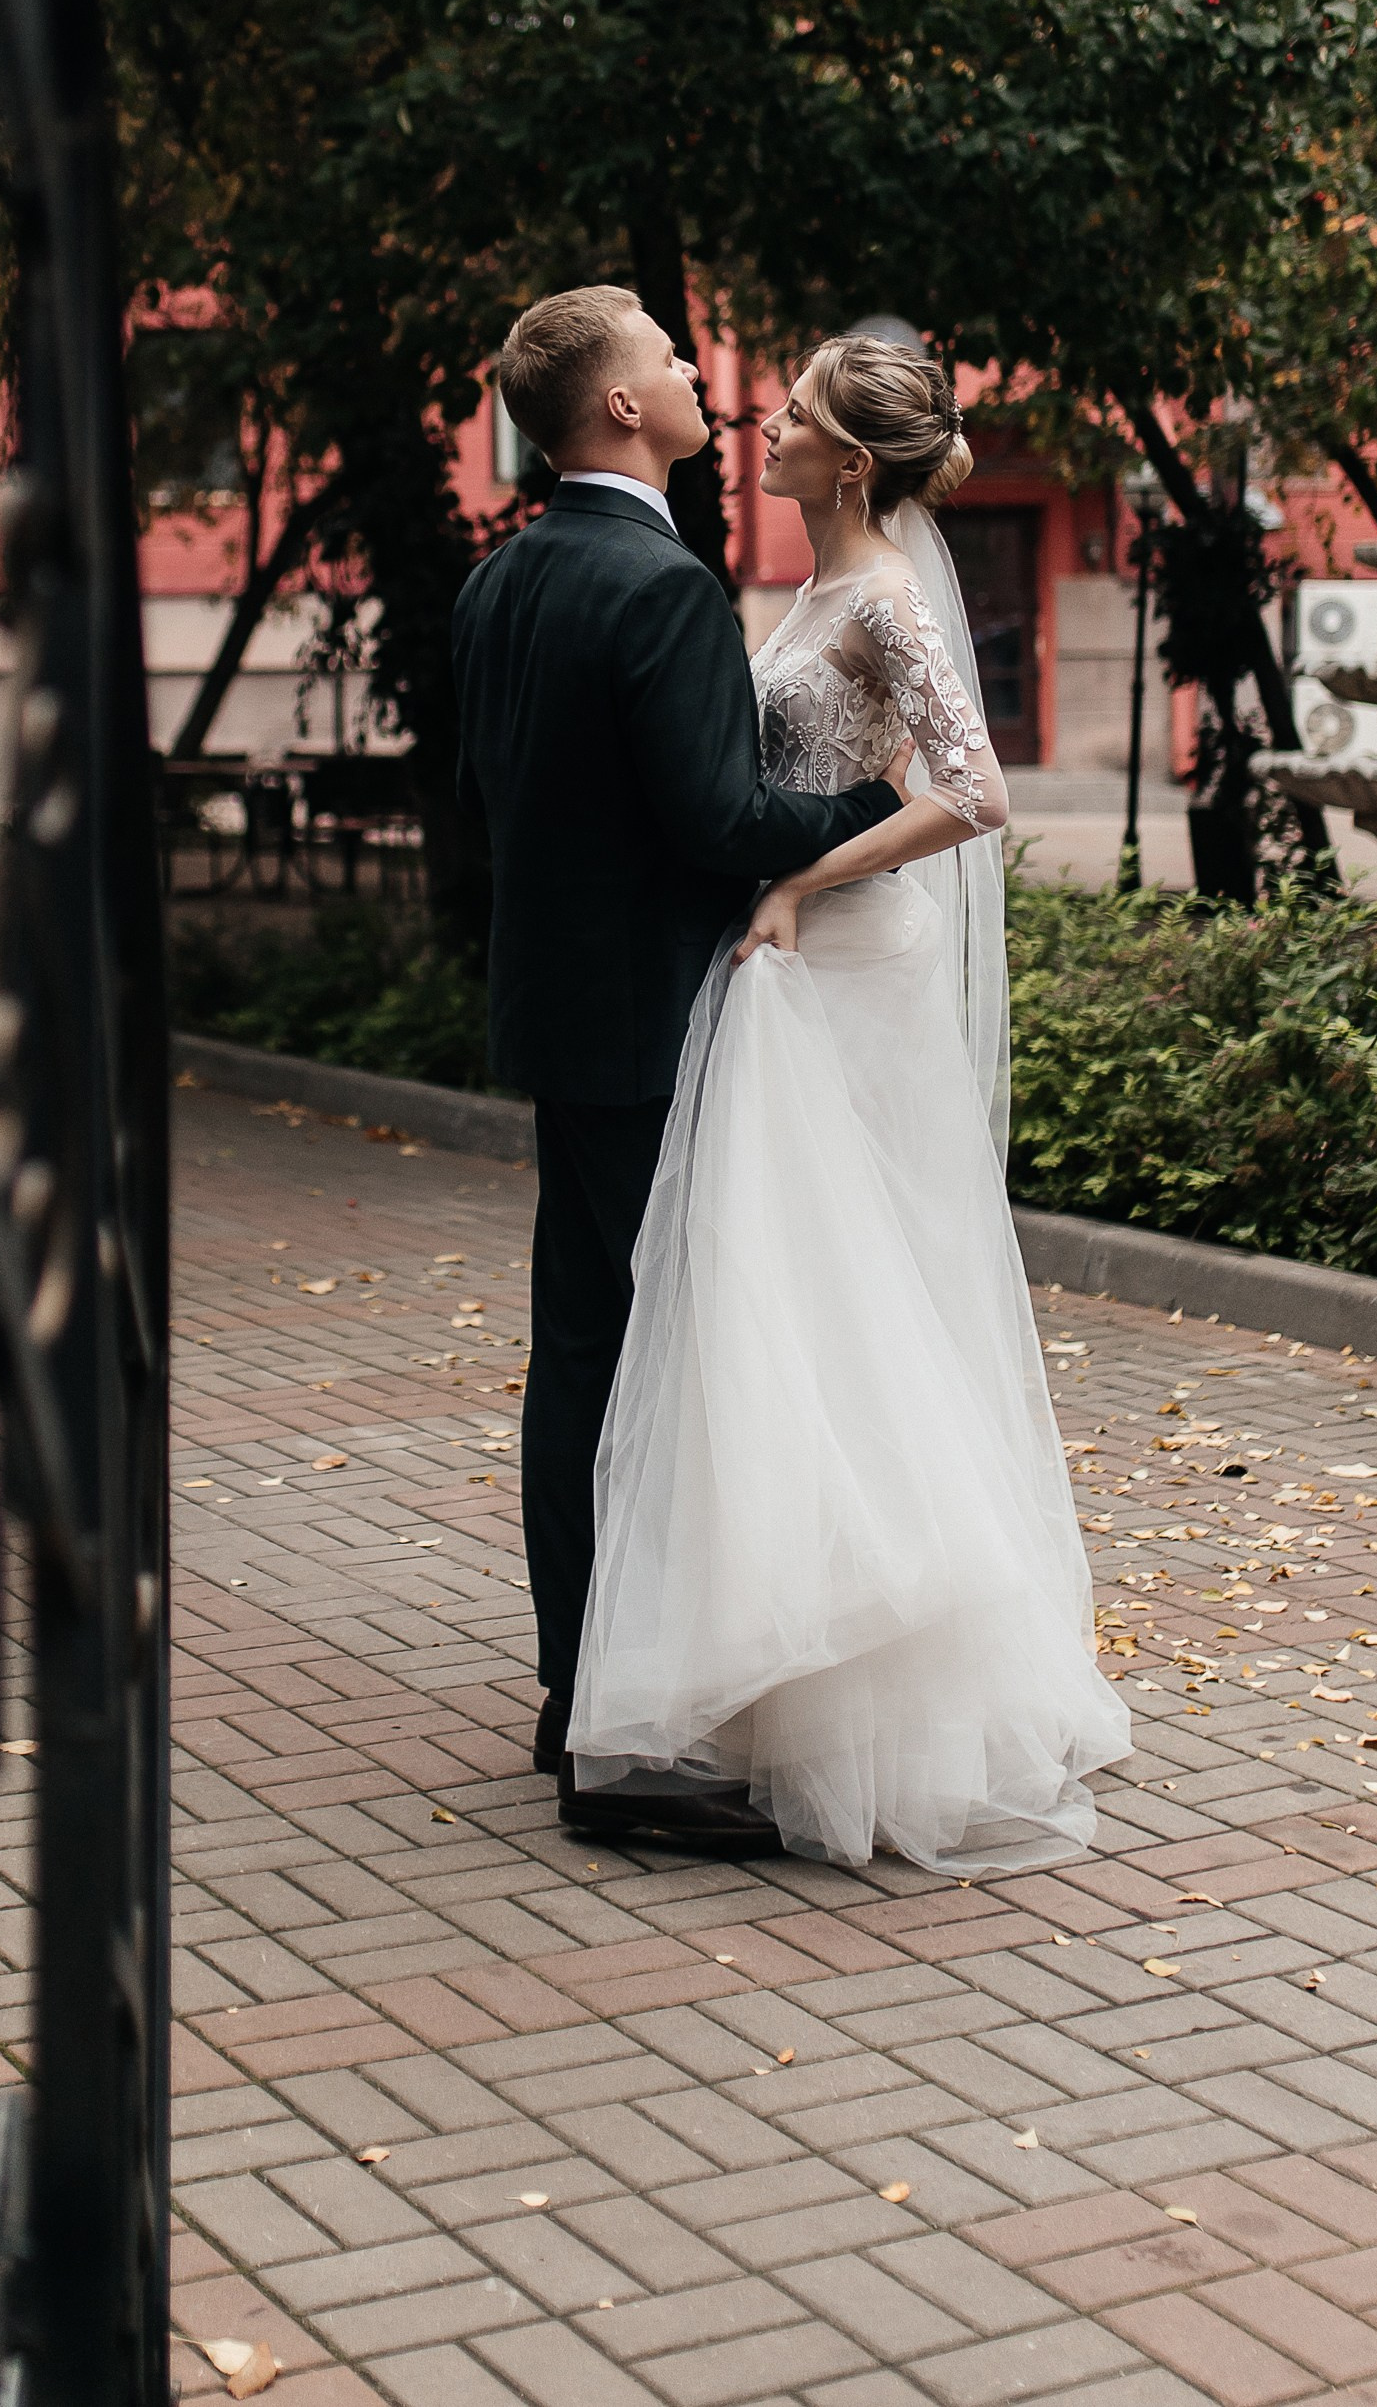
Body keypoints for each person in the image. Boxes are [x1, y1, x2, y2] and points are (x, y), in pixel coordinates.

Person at [568, 333, 1131, 1869]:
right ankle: (790, 1659)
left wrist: (795, 887)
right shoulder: (804, 592)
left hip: (843, 965)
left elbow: (973, 791)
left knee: (855, 1299)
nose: (767, 423)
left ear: (853, 460)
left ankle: (905, 1685)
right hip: (785, 960)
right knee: (788, 1307)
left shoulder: (880, 595)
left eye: (796, 414)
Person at [450, 287, 907, 1854]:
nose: (693, 369)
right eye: (663, 354)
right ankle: (626, 1762)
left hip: (556, 1025)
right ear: (621, 411)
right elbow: (719, 826)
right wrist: (863, 811)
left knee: (577, 1356)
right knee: (675, 1369)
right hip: (654, 1028)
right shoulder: (654, 585)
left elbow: (489, 821)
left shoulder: (501, 578)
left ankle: (576, 1691)